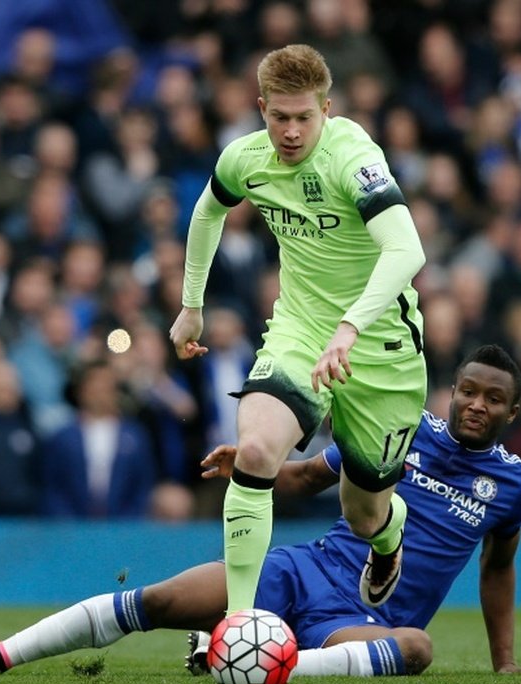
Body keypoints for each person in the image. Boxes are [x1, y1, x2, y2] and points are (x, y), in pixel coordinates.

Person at [0, 345, 521, 678]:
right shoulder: (402, 431)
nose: (475, 404)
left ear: (512, 411)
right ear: (453, 390)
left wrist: (503, 663)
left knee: (416, 650)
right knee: (161, 599)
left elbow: (498, 569)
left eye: (493, 399)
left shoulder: (512, 487)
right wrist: (254, 470)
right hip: (305, 571)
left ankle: (260, 655)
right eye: (468, 391)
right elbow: (305, 477)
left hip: (362, 621)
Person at [168, 44, 428, 613]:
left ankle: (389, 535)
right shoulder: (246, 158)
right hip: (301, 329)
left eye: (304, 117)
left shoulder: (352, 157)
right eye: (279, 117)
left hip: (381, 347)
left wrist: (351, 328)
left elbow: (407, 249)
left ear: (326, 109)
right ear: (261, 108)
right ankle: (238, 621)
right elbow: (209, 210)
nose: (290, 132)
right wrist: (192, 304)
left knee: (362, 515)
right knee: (258, 451)